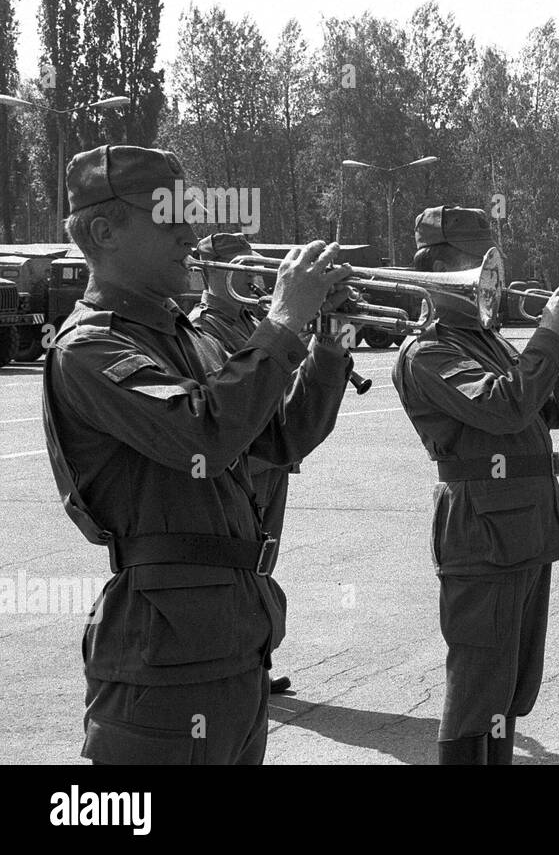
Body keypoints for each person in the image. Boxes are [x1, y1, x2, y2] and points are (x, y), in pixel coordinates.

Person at [44, 145, 353, 764]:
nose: (190, 233)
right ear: (104, 231)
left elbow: (279, 437)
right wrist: (284, 320)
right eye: (168, 217)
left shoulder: (186, 335)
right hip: (164, 656)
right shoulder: (89, 348)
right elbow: (202, 437)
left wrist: (328, 340)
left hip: (233, 637)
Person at [391, 206, 559, 765]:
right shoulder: (428, 351)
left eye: (490, 263)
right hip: (481, 536)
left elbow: (550, 408)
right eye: (474, 264)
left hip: (526, 527)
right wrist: (548, 335)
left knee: (510, 688)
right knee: (476, 689)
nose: (490, 278)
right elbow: (506, 407)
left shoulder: (490, 342)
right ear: (433, 269)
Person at [190, 232, 297, 694]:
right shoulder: (202, 326)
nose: (244, 273)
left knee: (264, 559)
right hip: (240, 463)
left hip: (271, 456)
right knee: (240, 561)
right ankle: (239, 663)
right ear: (206, 270)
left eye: (247, 264)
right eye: (231, 265)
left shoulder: (255, 316)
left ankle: (258, 659)